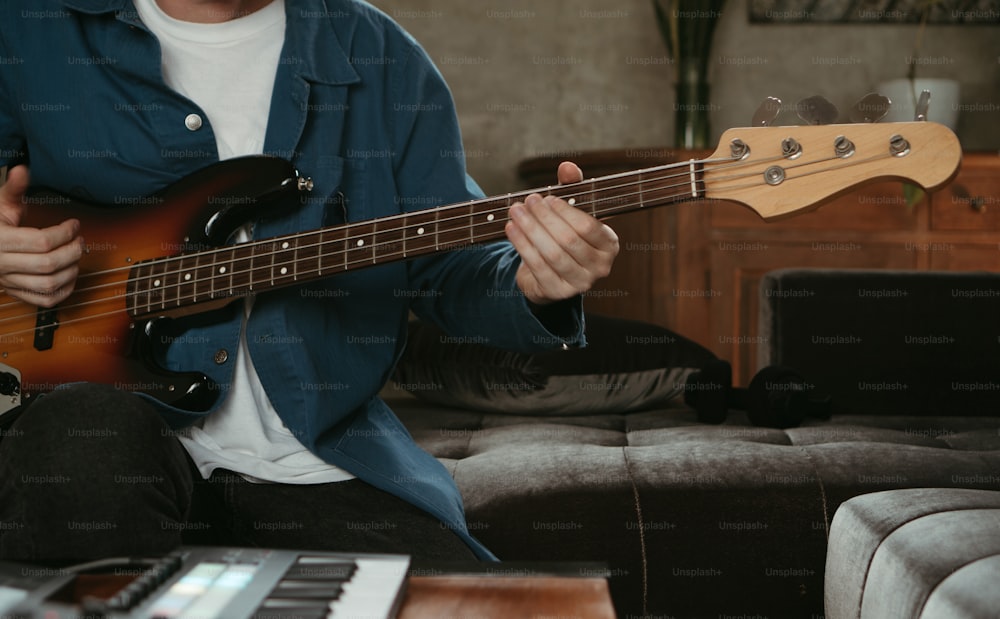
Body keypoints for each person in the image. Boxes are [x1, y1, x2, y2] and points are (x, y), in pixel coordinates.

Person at [0, 0, 618, 564]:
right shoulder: (27, 29)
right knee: (79, 439)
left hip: (319, 463)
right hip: (104, 444)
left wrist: (535, 281)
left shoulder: (382, 57)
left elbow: (447, 267)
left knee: (463, 603)